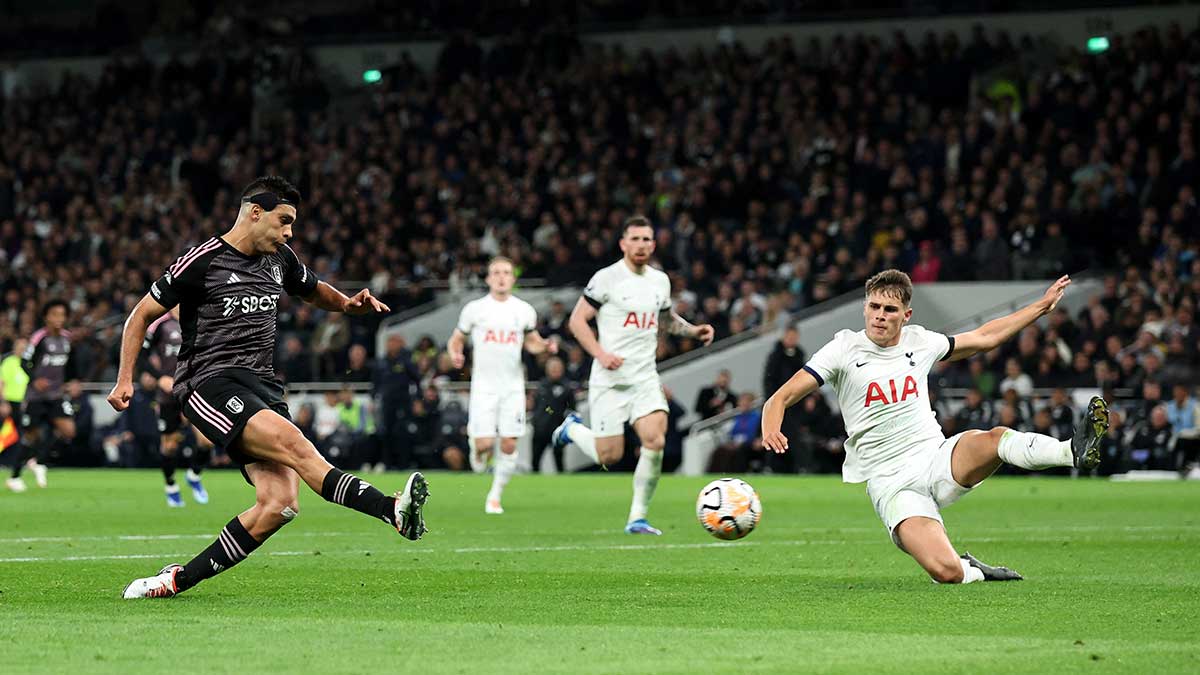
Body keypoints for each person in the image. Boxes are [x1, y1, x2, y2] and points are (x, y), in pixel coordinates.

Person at [109, 176, 429, 600]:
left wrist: (347, 303)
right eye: (284, 221)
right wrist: (125, 378)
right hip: (208, 382)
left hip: (262, 385)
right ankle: (390, 510)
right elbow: (140, 316)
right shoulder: (202, 262)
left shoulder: (280, 259)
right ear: (254, 213)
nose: (289, 232)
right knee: (297, 446)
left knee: (280, 504)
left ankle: (173, 580)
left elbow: (314, 291)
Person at [761, 270, 1109, 584]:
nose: (880, 316)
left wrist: (1040, 308)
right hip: (892, 483)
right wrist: (771, 427)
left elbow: (985, 337)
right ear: (865, 308)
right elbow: (780, 397)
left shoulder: (920, 342)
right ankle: (973, 569)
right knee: (946, 572)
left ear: (906, 315)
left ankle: (1071, 451)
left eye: (890, 310)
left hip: (935, 456)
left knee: (994, 438)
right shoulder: (843, 349)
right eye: (874, 307)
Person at [552, 216, 714, 535]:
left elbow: (666, 320)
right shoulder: (606, 278)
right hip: (609, 380)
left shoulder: (660, 281)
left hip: (644, 378)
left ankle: (637, 517)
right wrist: (600, 354)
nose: (641, 245)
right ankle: (572, 430)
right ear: (623, 243)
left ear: (653, 245)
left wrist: (693, 331)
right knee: (609, 455)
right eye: (635, 239)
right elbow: (577, 321)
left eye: (646, 240)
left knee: (655, 440)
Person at [447, 256, 556, 514]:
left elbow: (532, 342)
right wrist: (455, 353)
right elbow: (456, 339)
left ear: (513, 278)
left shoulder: (523, 310)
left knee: (508, 443)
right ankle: (477, 453)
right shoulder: (475, 309)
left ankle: (494, 497)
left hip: (512, 387)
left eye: (506, 272)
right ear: (488, 278)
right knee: (484, 445)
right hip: (484, 386)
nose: (501, 277)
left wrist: (545, 346)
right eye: (496, 272)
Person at [142, 306, 213, 507]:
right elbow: (141, 355)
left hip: (195, 390)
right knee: (170, 445)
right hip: (169, 394)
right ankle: (171, 485)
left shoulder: (201, 320)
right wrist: (159, 378)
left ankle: (194, 475)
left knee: (207, 441)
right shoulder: (160, 325)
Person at [8, 300, 78, 492]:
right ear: (46, 316)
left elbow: (70, 365)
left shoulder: (66, 339)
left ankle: (38, 461)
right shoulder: (39, 338)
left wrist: (73, 381)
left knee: (69, 431)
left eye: (62, 315)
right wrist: (35, 380)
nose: (59, 319)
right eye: (55, 314)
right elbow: (24, 362)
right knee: (31, 437)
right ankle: (14, 476)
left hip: (56, 395)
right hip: (36, 396)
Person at [529, 357, 577, 473]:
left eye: (557, 368)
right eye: (552, 368)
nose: (555, 370)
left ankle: (561, 484)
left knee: (559, 460)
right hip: (540, 429)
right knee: (535, 460)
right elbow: (536, 406)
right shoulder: (541, 386)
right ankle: (534, 483)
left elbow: (572, 409)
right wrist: (535, 420)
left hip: (557, 429)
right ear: (547, 369)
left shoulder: (567, 388)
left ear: (562, 369)